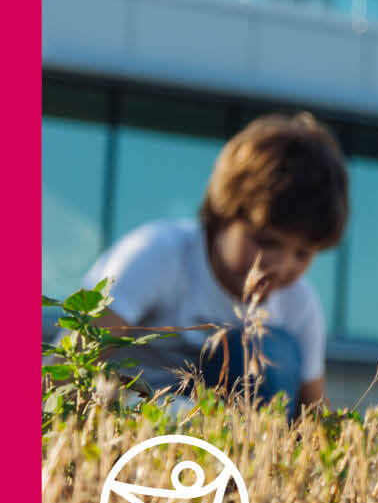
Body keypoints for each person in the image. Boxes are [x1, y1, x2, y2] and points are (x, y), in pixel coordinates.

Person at [81, 112, 349, 416]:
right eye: (265, 241)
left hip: (226, 437)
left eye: (302, 254)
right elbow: (71, 363)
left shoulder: (299, 305)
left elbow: (312, 415)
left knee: (262, 349)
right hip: (128, 420)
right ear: (223, 216)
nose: (280, 265)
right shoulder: (156, 256)